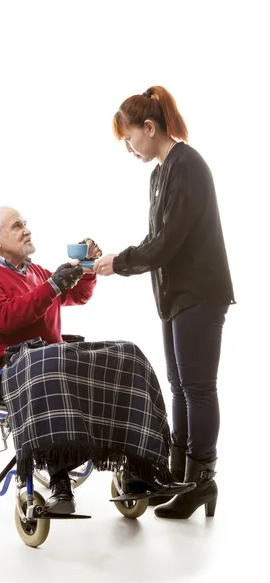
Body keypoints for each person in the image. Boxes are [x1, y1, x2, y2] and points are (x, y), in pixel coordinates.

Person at [0, 206, 194, 515]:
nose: (27, 229)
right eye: (17, 226)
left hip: (51, 356)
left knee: (127, 355)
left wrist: (83, 269)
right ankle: (59, 482)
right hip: (11, 364)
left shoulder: (36, 272)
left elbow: (76, 297)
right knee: (49, 362)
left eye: (25, 223)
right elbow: (5, 318)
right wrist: (54, 284)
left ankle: (139, 469)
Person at [94, 86, 235, 519]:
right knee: (179, 387)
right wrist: (121, 258)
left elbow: (167, 242)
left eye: (129, 138)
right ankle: (176, 476)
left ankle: (201, 481)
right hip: (174, 296)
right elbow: (158, 241)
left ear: (149, 128)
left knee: (197, 388)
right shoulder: (160, 173)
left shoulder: (187, 165)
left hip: (199, 292)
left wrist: (121, 262)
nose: (130, 148)